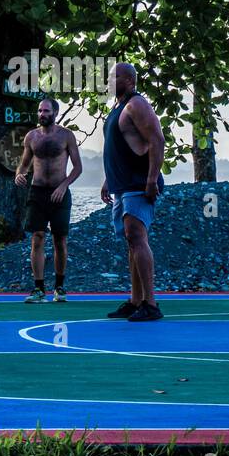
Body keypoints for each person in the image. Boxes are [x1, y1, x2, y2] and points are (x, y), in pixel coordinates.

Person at [101, 63, 165, 322]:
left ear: (128, 80)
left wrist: (151, 180)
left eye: (113, 76)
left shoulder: (137, 104)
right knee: (131, 240)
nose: (108, 81)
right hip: (122, 184)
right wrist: (108, 180)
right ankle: (135, 300)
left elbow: (157, 140)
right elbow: (120, 147)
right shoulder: (117, 107)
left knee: (137, 236)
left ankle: (150, 303)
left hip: (139, 183)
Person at [14, 97, 82, 303]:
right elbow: (24, 164)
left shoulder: (66, 136)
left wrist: (63, 186)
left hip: (59, 193)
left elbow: (78, 168)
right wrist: (19, 174)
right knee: (37, 238)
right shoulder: (31, 137)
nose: (42, 114)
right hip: (37, 192)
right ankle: (38, 289)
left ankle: (59, 288)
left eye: (46, 111)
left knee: (60, 240)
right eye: (40, 111)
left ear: (55, 113)